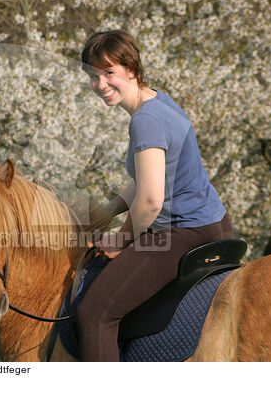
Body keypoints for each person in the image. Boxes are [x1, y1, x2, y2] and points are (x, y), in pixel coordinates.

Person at [76, 29, 234, 362]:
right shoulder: (159, 100)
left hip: (181, 232)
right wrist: (109, 210)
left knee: (94, 314)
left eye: (109, 73)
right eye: (93, 76)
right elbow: (153, 176)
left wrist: (119, 241)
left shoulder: (145, 121)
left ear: (131, 69)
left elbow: (149, 202)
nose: (100, 84)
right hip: (216, 222)